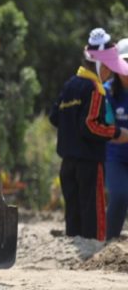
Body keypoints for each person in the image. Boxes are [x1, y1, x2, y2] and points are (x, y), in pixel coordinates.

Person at [49, 28, 128, 241]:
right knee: (93, 213)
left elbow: (55, 117)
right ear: (100, 64)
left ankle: (76, 249)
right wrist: (117, 132)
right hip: (90, 162)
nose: (110, 73)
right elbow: (91, 125)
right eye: (109, 68)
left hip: (67, 162)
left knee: (73, 213)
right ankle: (92, 252)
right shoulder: (95, 89)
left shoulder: (70, 85)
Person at [104, 38, 128, 239]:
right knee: (120, 195)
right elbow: (106, 128)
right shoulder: (106, 91)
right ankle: (108, 242)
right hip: (115, 157)